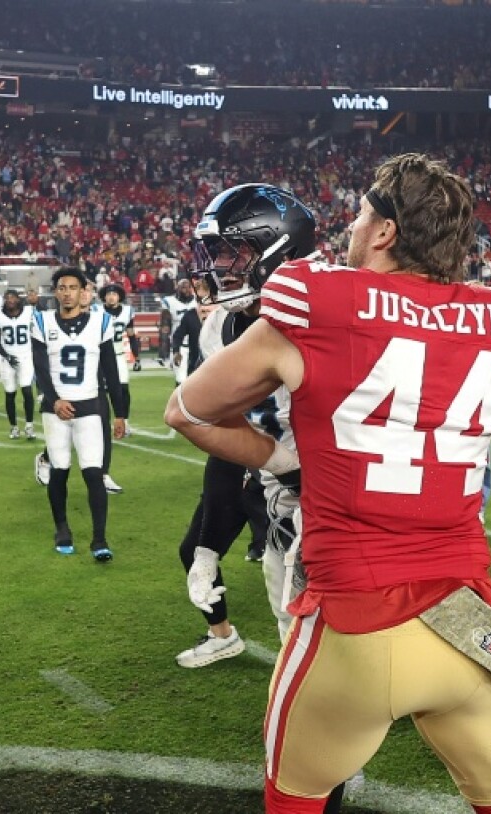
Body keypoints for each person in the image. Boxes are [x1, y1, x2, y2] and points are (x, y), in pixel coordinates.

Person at [166, 154, 491, 813]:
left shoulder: (316, 299)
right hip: (463, 623)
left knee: (295, 799)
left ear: (385, 231)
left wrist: (285, 461)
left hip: (356, 626)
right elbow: (490, 408)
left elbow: (186, 410)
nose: (351, 226)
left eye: (363, 213)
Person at [171, 184, 317, 669]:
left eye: (235, 253)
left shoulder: (322, 318)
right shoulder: (219, 328)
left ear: (279, 249)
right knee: (291, 628)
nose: (219, 267)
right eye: (216, 253)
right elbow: (224, 437)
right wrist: (208, 545)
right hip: (279, 495)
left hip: (334, 492)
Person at [32, 268, 126, 562]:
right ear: (56, 291)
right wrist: (54, 399)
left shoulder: (101, 323)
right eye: (62, 287)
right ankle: (62, 529)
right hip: (55, 409)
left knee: (93, 473)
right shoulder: (41, 321)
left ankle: (100, 538)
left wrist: (120, 413)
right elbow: (40, 368)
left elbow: (111, 370)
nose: (68, 292)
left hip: (89, 406)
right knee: (59, 470)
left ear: (82, 290)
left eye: (73, 287)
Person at [0, 288, 36, 440]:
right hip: (8, 357)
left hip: (25, 356)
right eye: (7, 298)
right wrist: (7, 356)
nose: (10, 300)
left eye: (12, 298)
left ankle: (29, 425)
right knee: (10, 393)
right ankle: (14, 426)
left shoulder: (29, 311)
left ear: (18, 299)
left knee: (27, 390)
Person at [99, 283, 134, 436]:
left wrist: (136, 356)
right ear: (104, 297)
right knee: (100, 391)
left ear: (119, 296)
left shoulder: (127, 312)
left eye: (114, 294)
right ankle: (101, 422)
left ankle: (124, 422)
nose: (111, 296)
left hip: (119, 355)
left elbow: (131, 334)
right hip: (101, 356)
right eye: (108, 294)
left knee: (124, 389)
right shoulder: (97, 311)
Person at [159, 277, 196, 382]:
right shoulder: (169, 302)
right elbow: (165, 328)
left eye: (189, 287)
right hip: (180, 346)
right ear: (177, 288)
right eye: (183, 287)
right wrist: (164, 351)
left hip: (197, 345)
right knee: (181, 380)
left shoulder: (198, 301)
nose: (187, 289)